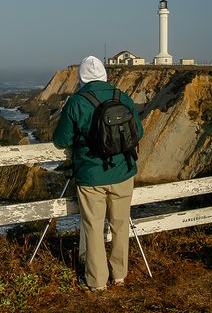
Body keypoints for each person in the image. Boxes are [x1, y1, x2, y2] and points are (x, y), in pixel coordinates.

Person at [52, 55, 144, 292]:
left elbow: (61, 141)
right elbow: (139, 131)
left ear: (81, 78)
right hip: (123, 172)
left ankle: (97, 281)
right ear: (104, 75)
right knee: (121, 225)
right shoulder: (121, 96)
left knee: (93, 228)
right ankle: (120, 274)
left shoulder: (76, 102)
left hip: (92, 176)